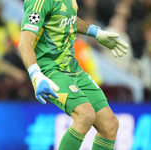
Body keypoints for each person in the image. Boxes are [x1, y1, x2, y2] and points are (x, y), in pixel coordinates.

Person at [18, 0, 128, 150]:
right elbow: (24, 41)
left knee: (110, 125)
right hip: (51, 70)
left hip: (72, 68)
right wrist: (35, 74)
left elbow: (67, 19)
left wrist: (95, 32)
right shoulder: (39, 1)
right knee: (85, 115)